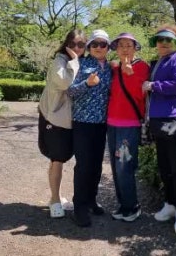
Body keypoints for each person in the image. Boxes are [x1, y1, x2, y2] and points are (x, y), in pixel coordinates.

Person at [142, 24, 176, 234]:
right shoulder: (161, 61)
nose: (163, 43)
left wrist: (154, 86)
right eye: (159, 40)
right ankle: (171, 204)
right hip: (159, 121)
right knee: (165, 166)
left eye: (168, 40)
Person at [37, 29, 86, 218]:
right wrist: (74, 61)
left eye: (81, 45)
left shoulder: (80, 61)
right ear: (66, 44)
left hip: (69, 120)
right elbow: (65, 82)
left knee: (62, 158)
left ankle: (56, 198)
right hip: (55, 118)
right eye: (73, 44)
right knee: (57, 159)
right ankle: (55, 200)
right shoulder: (61, 61)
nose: (77, 48)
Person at [66, 29, 113, 227]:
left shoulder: (111, 68)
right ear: (89, 47)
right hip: (82, 123)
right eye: (94, 44)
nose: (98, 47)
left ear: (108, 47)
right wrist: (87, 83)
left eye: (103, 44)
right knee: (84, 165)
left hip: (101, 124)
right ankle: (79, 207)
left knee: (96, 165)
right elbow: (69, 91)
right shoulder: (81, 64)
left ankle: (92, 200)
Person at [106, 32, 150, 222]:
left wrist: (130, 73)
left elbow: (140, 95)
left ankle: (132, 207)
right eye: (121, 45)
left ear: (135, 48)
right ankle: (123, 205)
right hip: (111, 124)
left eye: (129, 45)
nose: (124, 48)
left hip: (129, 125)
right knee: (116, 166)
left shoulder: (142, 66)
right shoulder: (114, 68)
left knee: (125, 166)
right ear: (116, 49)